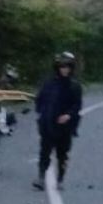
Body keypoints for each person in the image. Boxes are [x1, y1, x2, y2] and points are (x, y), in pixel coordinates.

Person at [33, 51, 83, 190]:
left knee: (62, 154)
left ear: (71, 68)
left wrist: (68, 115)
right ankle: (41, 177)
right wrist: (41, 113)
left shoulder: (74, 86)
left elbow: (77, 105)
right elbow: (40, 99)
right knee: (44, 151)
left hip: (65, 126)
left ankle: (60, 178)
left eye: (67, 66)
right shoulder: (49, 83)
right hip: (48, 123)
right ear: (57, 67)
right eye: (62, 66)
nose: (65, 69)